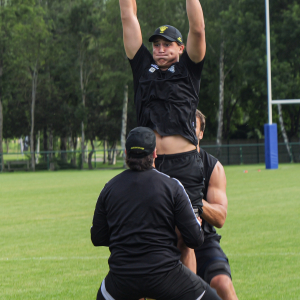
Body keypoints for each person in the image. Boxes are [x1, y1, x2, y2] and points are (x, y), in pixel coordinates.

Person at [119, 0, 206, 273]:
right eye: (156, 44)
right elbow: (128, 17)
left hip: (185, 165)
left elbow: (198, 29)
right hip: (148, 166)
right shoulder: (142, 67)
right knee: (144, 239)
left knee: (185, 239)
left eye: (167, 44)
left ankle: (189, 292)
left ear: (180, 48)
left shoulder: (189, 70)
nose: (160, 49)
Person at [91, 127, 221, 300]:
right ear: (154, 153)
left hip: (122, 279)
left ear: (126, 154)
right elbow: (195, 239)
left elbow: (98, 238)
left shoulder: (109, 188)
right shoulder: (172, 186)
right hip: (167, 276)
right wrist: (195, 225)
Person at [195, 110, 238, 300]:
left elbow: (220, 217)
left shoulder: (212, 167)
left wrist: (194, 202)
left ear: (201, 133)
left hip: (203, 241)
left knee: (222, 283)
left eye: (192, 127)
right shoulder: (160, 162)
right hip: (166, 241)